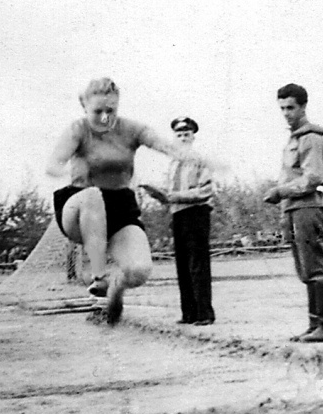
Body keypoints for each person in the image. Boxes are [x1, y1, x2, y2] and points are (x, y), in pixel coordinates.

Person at [46, 77, 206, 325]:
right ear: (85, 108)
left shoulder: (131, 129)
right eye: (97, 111)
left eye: (110, 111)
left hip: (119, 208)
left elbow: (164, 145)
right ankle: (99, 276)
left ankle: (115, 286)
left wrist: (198, 158)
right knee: (93, 195)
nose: (104, 117)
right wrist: (57, 166)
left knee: (139, 270)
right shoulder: (78, 129)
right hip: (78, 207)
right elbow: (56, 159)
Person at [263, 83, 323, 343]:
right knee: (305, 269)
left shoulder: (310, 138)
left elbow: (314, 177)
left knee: (315, 266)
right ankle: (315, 324)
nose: (286, 113)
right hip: (295, 208)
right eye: (282, 108)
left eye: (291, 107)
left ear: (303, 106)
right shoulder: (294, 138)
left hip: (308, 206)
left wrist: (281, 191)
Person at [141, 116, 215, 326]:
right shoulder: (173, 164)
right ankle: (189, 312)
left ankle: (204, 313)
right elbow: (168, 191)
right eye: (179, 134)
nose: (183, 138)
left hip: (196, 212)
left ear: (193, 137)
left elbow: (206, 190)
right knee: (182, 264)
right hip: (178, 214)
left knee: (197, 263)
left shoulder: (201, 160)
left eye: (186, 134)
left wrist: (176, 196)